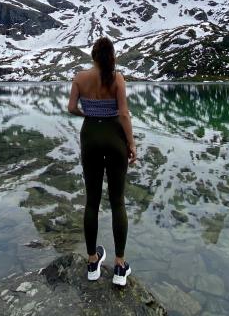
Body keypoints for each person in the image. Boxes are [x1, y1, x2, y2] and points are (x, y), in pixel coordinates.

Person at [67, 36, 137, 286]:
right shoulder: (117, 78)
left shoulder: (80, 77)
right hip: (114, 137)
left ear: (93, 56)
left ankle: (92, 261)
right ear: (112, 56)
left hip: (90, 138)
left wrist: (87, 112)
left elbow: (71, 107)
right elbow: (124, 114)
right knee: (118, 202)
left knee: (92, 202)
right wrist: (131, 143)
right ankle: (120, 266)